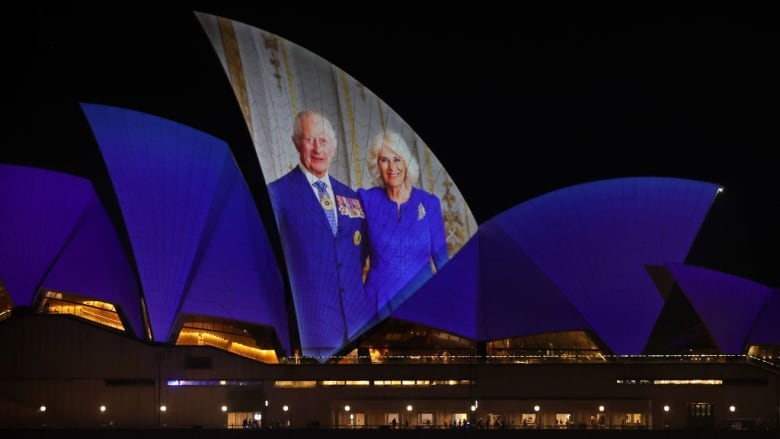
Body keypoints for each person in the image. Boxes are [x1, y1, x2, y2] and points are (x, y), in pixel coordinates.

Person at [267, 110, 370, 359]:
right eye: (309, 140)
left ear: (333, 147)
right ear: (295, 143)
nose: (317, 149)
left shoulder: (352, 197)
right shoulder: (277, 194)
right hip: (311, 332)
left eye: (323, 141)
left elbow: (362, 256)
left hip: (356, 330)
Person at [357, 130, 449, 317]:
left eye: (397, 159)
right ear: (377, 166)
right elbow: (356, 258)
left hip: (422, 304)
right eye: (384, 160)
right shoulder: (366, 200)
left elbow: (442, 261)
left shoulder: (429, 203)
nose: (392, 167)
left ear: (406, 163)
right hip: (377, 307)